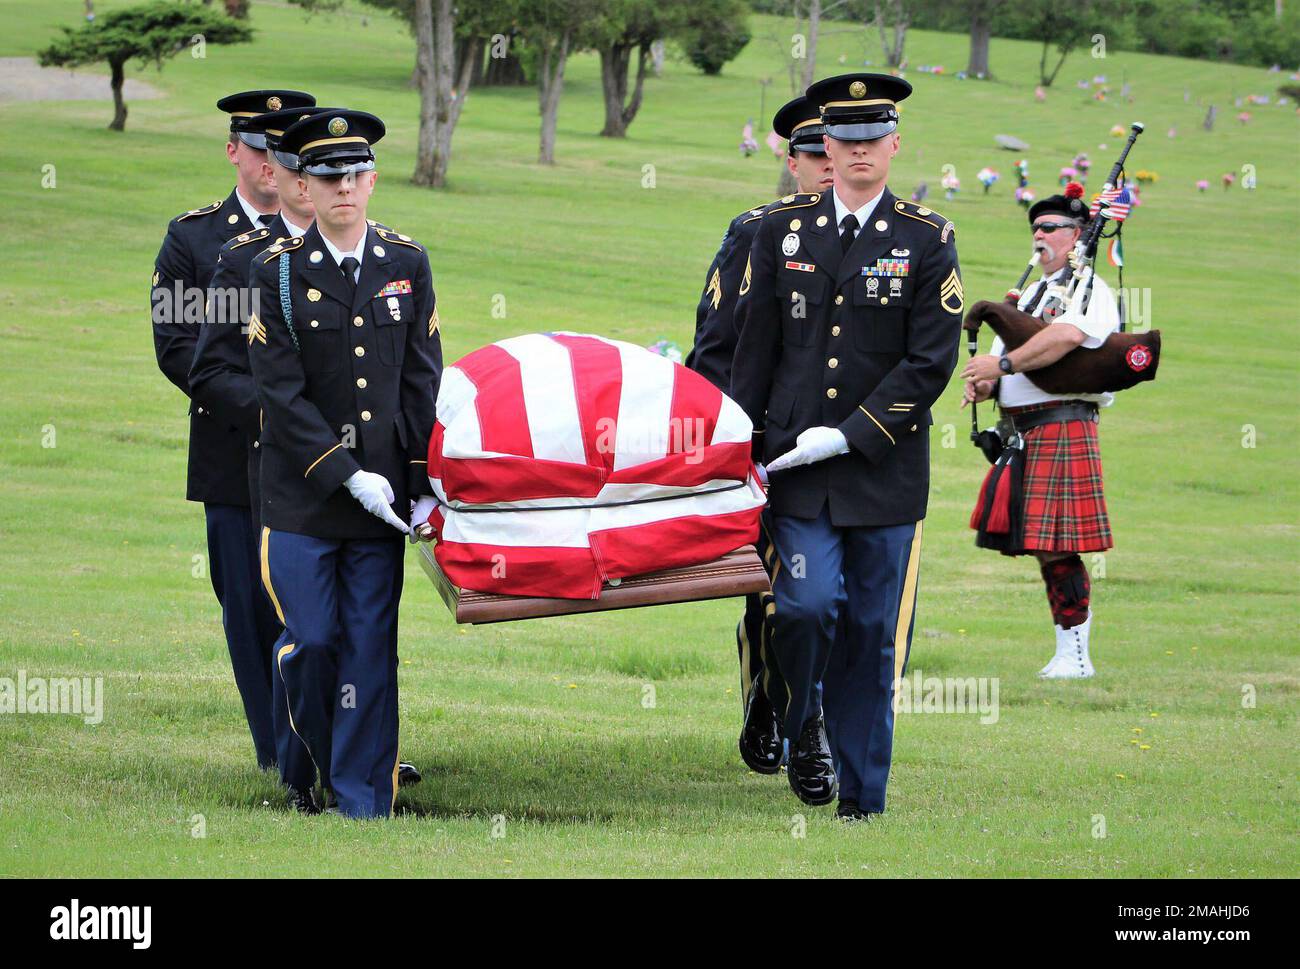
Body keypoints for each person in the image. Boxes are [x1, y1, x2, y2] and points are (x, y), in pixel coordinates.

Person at [730, 74, 963, 821]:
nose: (859, 153)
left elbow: (930, 361)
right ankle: (803, 725)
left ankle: (863, 799)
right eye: (845, 141)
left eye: (873, 140)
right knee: (803, 605)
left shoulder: (928, 238)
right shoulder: (781, 232)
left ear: (894, 146)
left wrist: (856, 429)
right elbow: (755, 348)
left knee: (869, 633)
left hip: (883, 472)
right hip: (797, 470)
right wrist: (743, 444)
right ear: (823, 146)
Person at [248, 109, 442, 818]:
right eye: (328, 177)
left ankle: (363, 801)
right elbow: (281, 393)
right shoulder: (274, 273)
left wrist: (422, 484)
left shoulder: (405, 262)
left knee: (368, 648)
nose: (344, 189)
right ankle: (309, 767)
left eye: (355, 175)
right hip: (303, 499)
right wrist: (344, 470)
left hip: (383, 500)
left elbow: (421, 378)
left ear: (373, 179)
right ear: (304, 184)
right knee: (315, 641)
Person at [150, 89, 315, 771]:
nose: (269, 164)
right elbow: (179, 348)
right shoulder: (195, 238)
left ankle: (318, 748)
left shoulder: (327, 229)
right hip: (230, 455)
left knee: (307, 608)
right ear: (235, 153)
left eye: (282, 150)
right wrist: (269, 409)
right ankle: (277, 754)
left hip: (312, 462)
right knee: (247, 606)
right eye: (256, 149)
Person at [685, 96, 833, 776]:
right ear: (792, 160)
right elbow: (717, 340)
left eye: (839, 153)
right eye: (814, 154)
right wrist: (722, 439)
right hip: (772, 443)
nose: (829, 166)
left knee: (841, 600)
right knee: (777, 590)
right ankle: (778, 707)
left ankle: (806, 716)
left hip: (857, 449)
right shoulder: (756, 232)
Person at [960, 185, 1120, 679]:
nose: (1040, 236)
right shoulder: (1034, 291)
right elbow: (1016, 361)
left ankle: (1075, 656)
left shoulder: (1089, 287)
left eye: (1051, 228)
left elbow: (1067, 336)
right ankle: (1068, 651)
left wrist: (1002, 361)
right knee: (1042, 544)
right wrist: (988, 383)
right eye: (1036, 228)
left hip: (1062, 425)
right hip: (1023, 432)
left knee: (1057, 544)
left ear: (1077, 237)